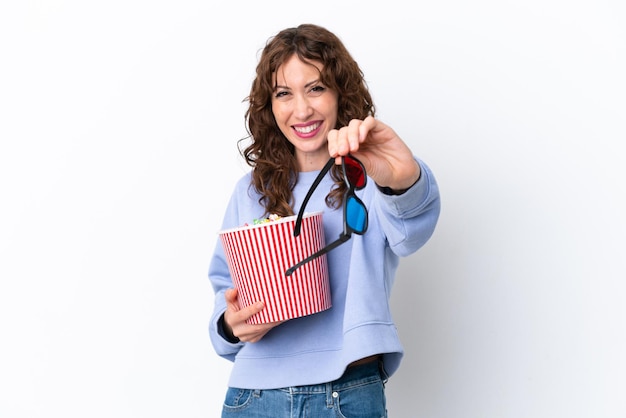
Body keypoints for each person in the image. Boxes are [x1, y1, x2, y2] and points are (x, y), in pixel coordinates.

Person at [208, 23, 441, 417]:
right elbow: (225, 288)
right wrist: (229, 325)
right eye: (284, 94)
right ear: (270, 106)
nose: (302, 110)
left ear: (340, 94)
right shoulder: (250, 191)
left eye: (316, 88)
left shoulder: (372, 176)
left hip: (347, 389)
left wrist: (403, 180)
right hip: (254, 396)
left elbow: (412, 232)